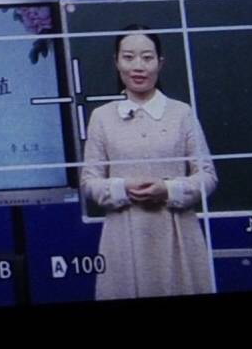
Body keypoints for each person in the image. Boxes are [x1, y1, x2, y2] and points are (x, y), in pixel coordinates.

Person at [75, 30, 217, 299]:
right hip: (124, 235)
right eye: (129, 57)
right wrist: (123, 187)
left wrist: (168, 189)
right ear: (116, 62)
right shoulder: (102, 117)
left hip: (177, 234)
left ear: (160, 63)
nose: (138, 66)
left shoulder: (182, 113)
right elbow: (89, 182)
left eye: (147, 57)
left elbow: (207, 175)